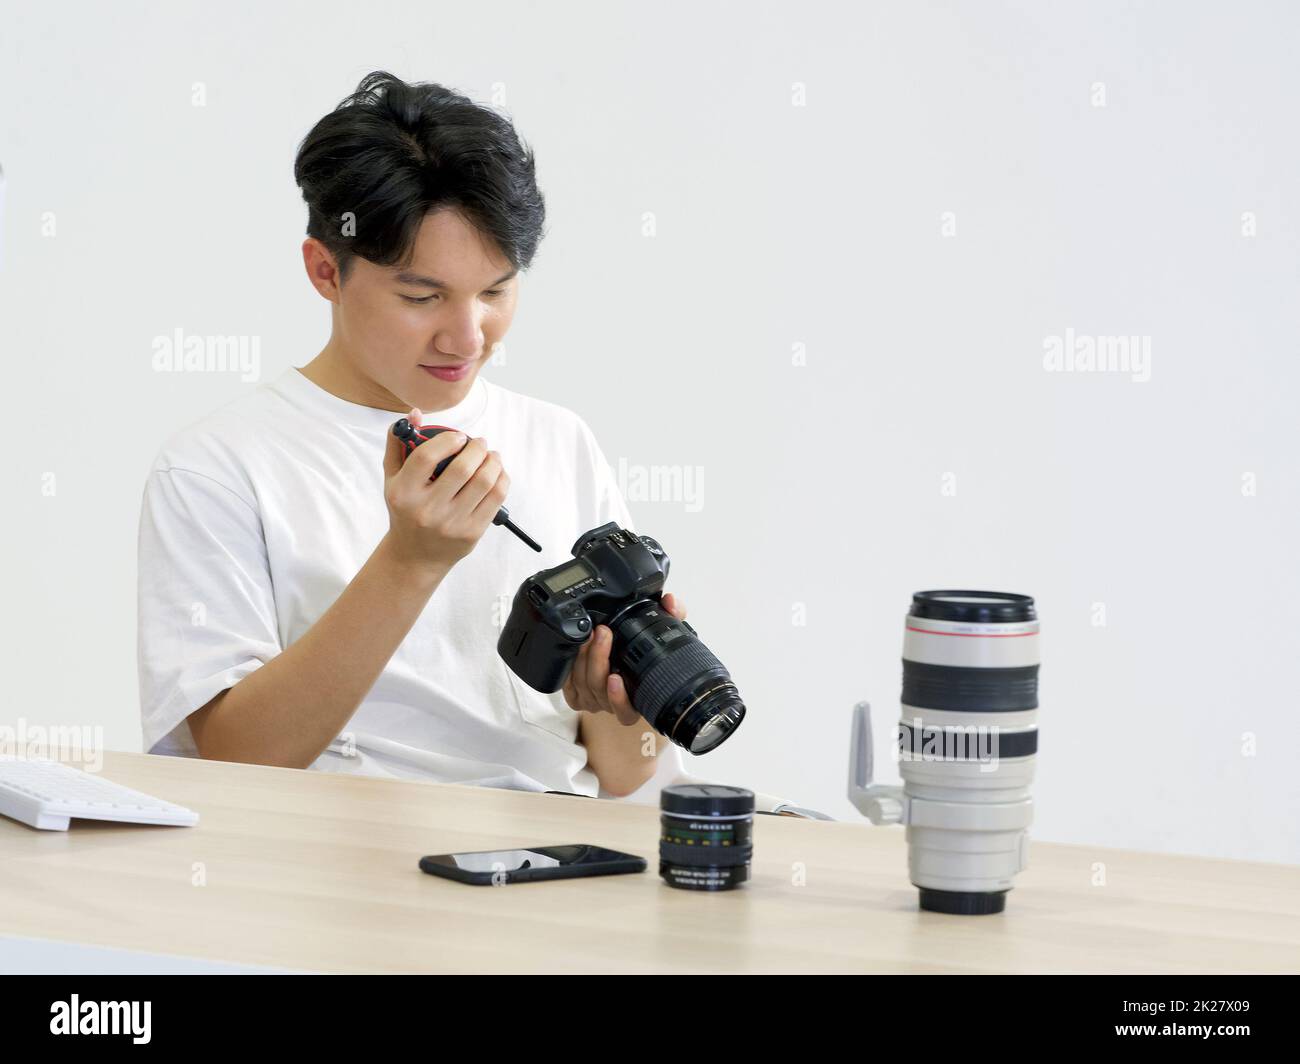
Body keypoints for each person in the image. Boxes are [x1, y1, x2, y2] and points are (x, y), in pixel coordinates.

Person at [136, 70, 681, 798]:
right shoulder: (217, 466)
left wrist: (614, 697)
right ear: (326, 269)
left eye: (495, 291)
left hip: (550, 864)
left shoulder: (557, 439)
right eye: (422, 296)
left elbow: (626, 777)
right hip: (325, 875)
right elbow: (239, 761)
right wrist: (410, 561)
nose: (467, 336)